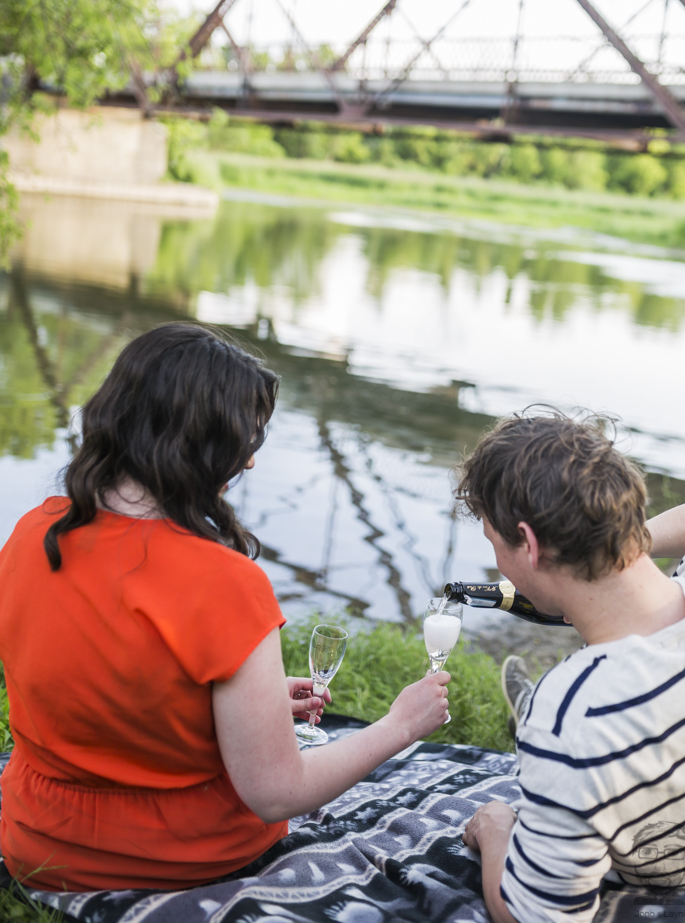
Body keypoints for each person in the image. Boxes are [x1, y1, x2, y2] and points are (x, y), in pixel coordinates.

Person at [0, 323, 449, 891]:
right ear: (202, 445)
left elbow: (94, 678)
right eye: (246, 441)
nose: (251, 463)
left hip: (38, 843)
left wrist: (242, 704)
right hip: (176, 857)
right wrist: (400, 725)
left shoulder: (31, 533)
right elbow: (275, 794)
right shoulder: (225, 582)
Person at [456, 410, 685, 923]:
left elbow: (535, 920)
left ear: (530, 542)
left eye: (495, 543)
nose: (497, 563)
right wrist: (626, 544)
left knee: (557, 749)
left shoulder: (573, 714)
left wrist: (496, 829)